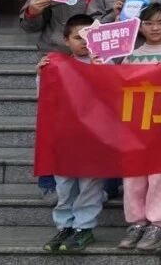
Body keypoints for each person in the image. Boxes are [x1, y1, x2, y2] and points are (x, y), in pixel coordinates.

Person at [115, 3, 161, 252]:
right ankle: (136, 222)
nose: (155, 28)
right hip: (134, 126)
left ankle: (157, 224)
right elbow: (118, 87)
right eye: (149, 23)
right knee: (133, 177)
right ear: (140, 26)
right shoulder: (130, 56)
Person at [36, 14, 104, 252]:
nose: (85, 42)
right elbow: (45, 98)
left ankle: (84, 227)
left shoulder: (106, 65)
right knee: (64, 186)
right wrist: (41, 75)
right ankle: (64, 225)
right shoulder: (56, 65)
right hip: (64, 138)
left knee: (89, 185)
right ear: (66, 41)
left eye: (90, 37)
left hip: (94, 137)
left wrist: (100, 71)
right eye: (78, 37)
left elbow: (113, 97)